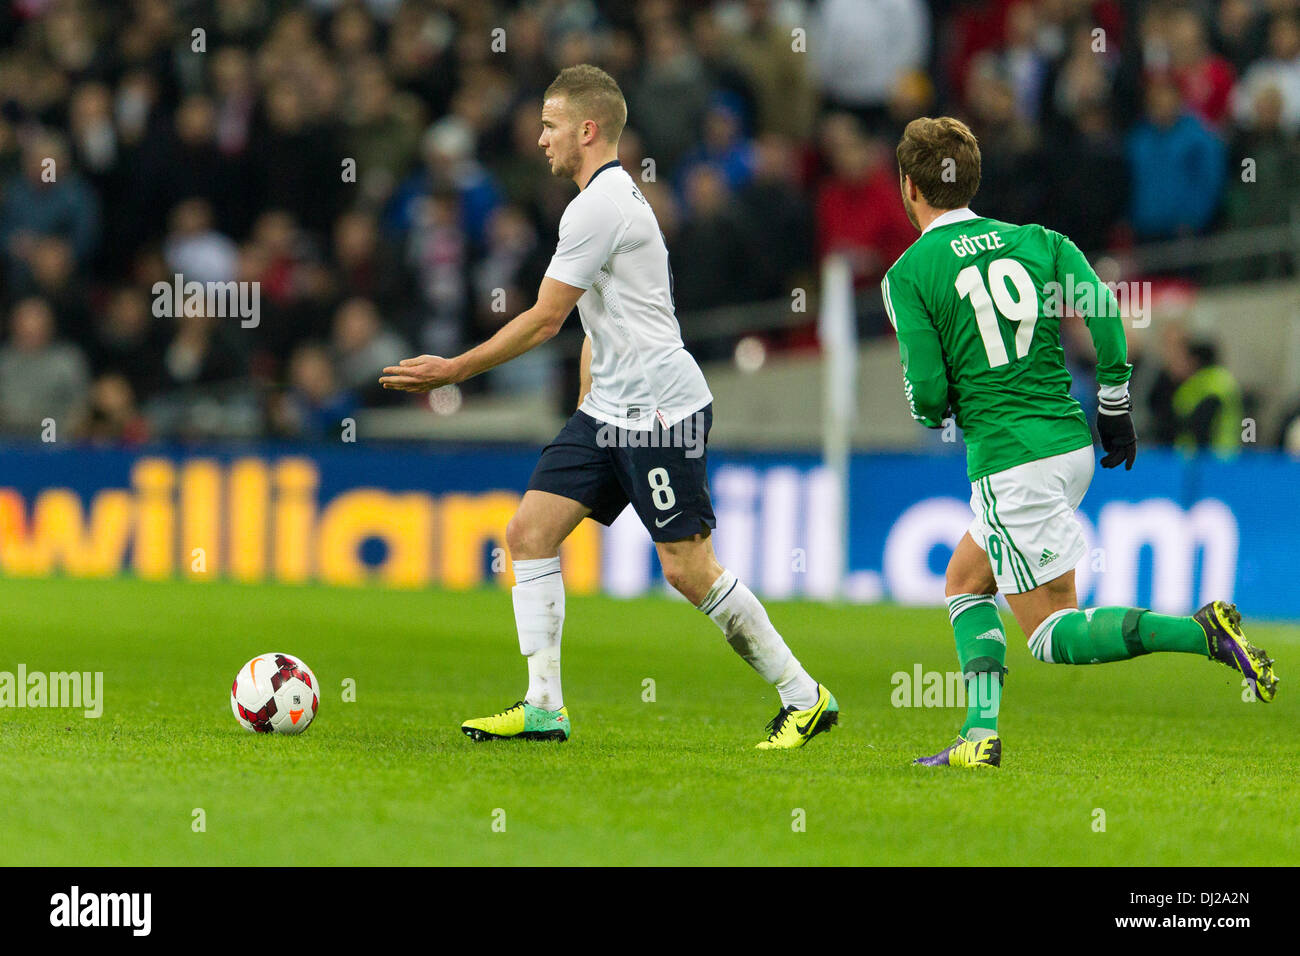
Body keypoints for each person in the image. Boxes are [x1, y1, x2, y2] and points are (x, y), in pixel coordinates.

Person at [380, 65, 837, 749]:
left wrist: (453, 369)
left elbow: (543, 320)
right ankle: (542, 707)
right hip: (610, 410)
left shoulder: (598, 206)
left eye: (550, 125)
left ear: (587, 130)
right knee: (529, 534)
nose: (539, 140)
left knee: (687, 569)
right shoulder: (605, 201)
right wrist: (591, 391)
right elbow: (604, 313)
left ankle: (805, 697)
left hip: (659, 412)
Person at [881, 116, 1279, 769]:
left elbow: (926, 395)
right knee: (963, 578)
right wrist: (1115, 404)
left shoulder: (909, 273)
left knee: (1051, 633)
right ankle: (978, 733)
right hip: (1068, 443)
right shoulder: (1040, 242)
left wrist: (945, 400)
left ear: (909, 188)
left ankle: (1201, 631)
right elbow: (1104, 311)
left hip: (1012, 459)